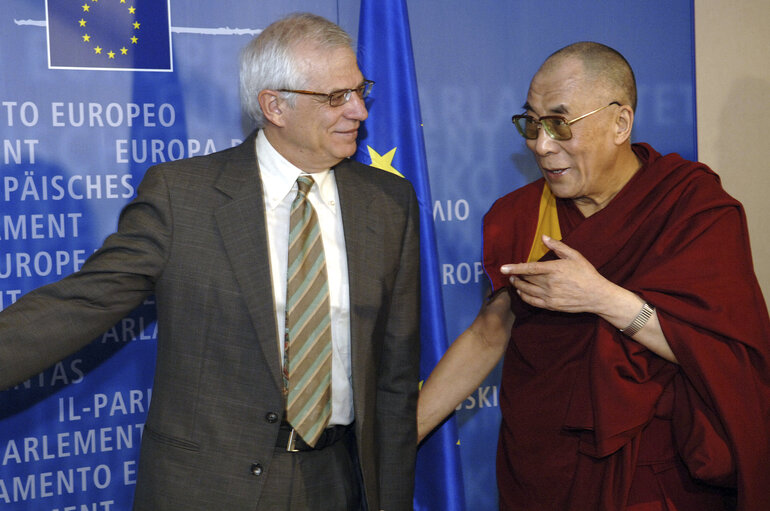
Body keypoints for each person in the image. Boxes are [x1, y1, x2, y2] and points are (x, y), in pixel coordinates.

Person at [0, 12, 420, 511]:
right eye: (335, 97)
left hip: (338, 481)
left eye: (358, 90)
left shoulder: (389, 202)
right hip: (207, 487)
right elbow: (79, 304)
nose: (358, 111)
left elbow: (395, 378)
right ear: (274, 107)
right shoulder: (184, 197)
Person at [418, 41, 770, 510]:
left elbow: (723, 352)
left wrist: (603, 297)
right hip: (541, 468)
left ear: (620, 123)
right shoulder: (522, 215)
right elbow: (490, 333)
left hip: (653, 470)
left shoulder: (691, 208)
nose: (542, 146)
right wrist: (400, 436)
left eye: (560, 125)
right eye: (532, 124)